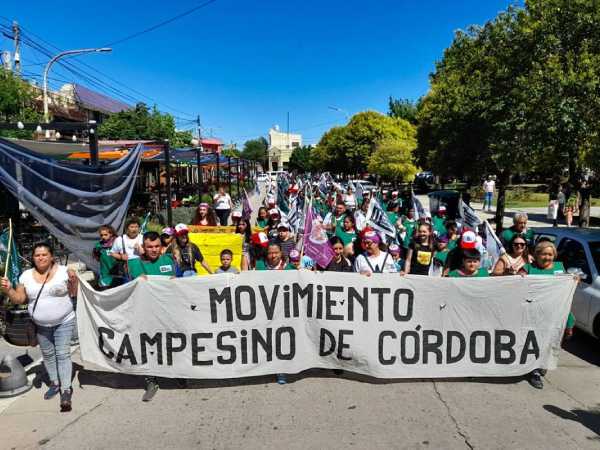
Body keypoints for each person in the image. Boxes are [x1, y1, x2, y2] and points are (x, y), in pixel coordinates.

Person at [1, 243, 78, 412]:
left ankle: (66, 389)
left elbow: (74, 293)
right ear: (33, 258)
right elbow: (20, 299)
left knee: (62, 354)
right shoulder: (25, 276)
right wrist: (8, 290)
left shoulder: (64, 271)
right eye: (37, 255)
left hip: (64, 321)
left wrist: (73, 280)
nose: (41, 258)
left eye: (44, 254)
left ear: (51, 256)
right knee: (48, 355)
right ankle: (55, 383)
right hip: (41, 324)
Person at [126, 231, 177, 401]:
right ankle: (151, 380)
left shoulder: (168, 260)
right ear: (143, 247)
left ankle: (179, 373)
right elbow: (126, 290)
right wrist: (135, 281)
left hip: (168, 311)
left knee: (172, 343)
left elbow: (178, 283)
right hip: (146, 314)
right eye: (149, 247)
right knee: (149, 347)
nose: (154, 250)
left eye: (156, 246)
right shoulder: (133, 264)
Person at [519, 241, 575, 389]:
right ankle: (534, 371)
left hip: (553, 313)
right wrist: (518, 278)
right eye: (543, 254)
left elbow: (565, 294)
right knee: (533, 341)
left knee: (548, 341)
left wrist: (574, 280)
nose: (547, 257)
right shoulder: (528, 268)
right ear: (536, 255)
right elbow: (515, 287)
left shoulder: (559, 268)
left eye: (550, 254)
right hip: (532, 313)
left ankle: (540, 364)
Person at [254, 242, 296, 385]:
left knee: (281, 340)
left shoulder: (289, 268)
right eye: (270, 253)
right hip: (264, 309)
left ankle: (281, 370)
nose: (273, 256)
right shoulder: (259, 266)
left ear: (281, 253)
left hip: (283, 310)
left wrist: (304, 272)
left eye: (276, 252)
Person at [93, 225, 118, 290]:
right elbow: (97, 258)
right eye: (101, 235)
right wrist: (96, 252)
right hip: (104, 273)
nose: (103, 237)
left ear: (111, 234)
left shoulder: (117, 243)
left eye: (105, 235)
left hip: (117, 273)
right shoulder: (99, 245)